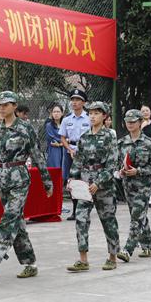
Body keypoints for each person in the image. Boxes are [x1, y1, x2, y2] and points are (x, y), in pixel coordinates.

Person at [0, 91, 53, 284]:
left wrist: (47, 181)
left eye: (6, 104)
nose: (1, 107)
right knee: (17, 222)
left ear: (15, 106)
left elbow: (37, 155)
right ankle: (30, 264)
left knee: (9, 219)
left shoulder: (25, 128)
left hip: (19, 179)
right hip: (1, 179)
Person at [65, 101, 123, 271]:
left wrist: (99, 182)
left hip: (104, 186)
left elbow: (112, 164)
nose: (92, 116)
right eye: (90, 113)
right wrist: (72, 180)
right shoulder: (84, 137)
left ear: (104, 116)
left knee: (108, 221)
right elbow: (78, 161)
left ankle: (112, 257)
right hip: (85, 185)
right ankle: (83, 260)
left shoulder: (109, 137)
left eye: (96, 113)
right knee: (81, 219)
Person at [116, 109, 151, 261]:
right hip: (128, 185)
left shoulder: (149, 143)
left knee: (136, 216)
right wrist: (121, 170)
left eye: (133, 121)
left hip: (143, 185)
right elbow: (117, 163)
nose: (130, 124)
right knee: (139, 216)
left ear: (140, 122)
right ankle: (149, 246)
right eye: (127, 122)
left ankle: (128, 249)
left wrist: (138, 171)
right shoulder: (121, 143)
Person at [60, 89, 91, 221]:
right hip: (70, 152)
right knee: (72, 181)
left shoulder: (89, 118)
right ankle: (74, 210)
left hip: (85, 153)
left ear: (83, 102)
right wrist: (70, 149)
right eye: (72, 99)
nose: (74, 102)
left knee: (84, 180)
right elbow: (62, 137)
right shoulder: (66, 119)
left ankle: (85, 209)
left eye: (77, 100)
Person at [45, 104, 65, 177]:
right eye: (54, 112)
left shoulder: (65, 125)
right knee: (55, 172)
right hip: (54, 151)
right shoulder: (49, 125)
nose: (56, 114)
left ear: (62, 113)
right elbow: (52, 140)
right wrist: (64, 141)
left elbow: (70, 138)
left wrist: (60, 144)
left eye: (58, 112)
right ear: (52, 114)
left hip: (65, 149)